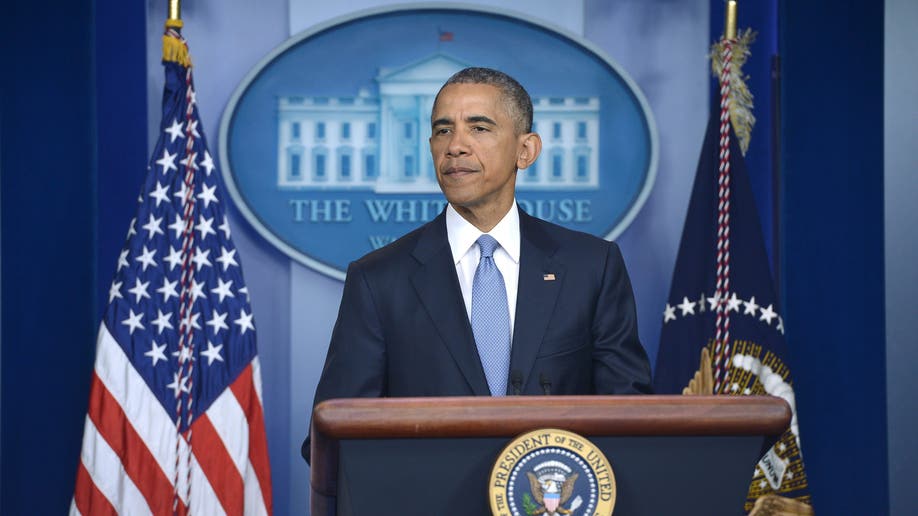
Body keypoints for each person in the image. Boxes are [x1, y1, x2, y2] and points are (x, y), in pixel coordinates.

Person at [303, 67, 651, 461]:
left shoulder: (592, 267)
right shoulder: (379, 279)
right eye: (443, 130)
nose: (456, 146)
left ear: (526, 150)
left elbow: (629, 417)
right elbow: (334, 434)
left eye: (479, 128)